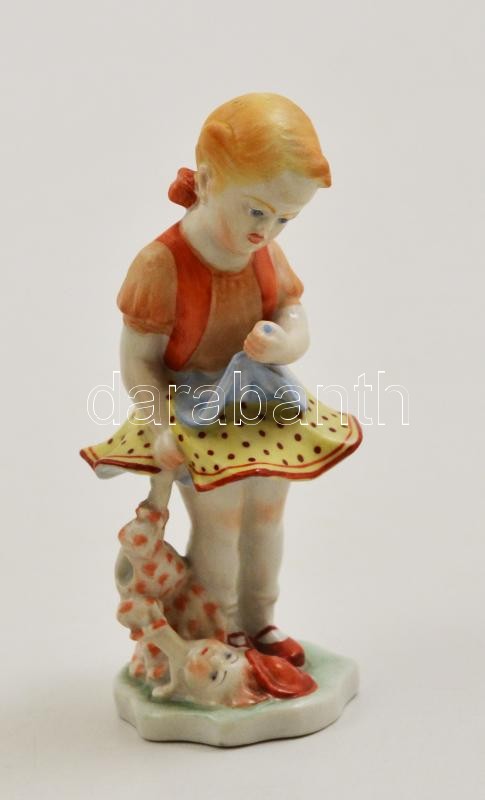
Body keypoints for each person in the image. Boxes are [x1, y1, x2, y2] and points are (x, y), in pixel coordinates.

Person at [81, 93, 362, 666]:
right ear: (208, 181)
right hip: (197, 413)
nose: (269, 230)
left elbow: (293, 313)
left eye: (285, 219)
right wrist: (160, 423)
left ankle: (262, 621)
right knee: (221, 522)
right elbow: (139, 359)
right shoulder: (162, 264)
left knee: (267, 517)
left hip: (263, 405)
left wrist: (286, 342)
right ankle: (223, 624)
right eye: (256, 211)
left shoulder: (265, 255)